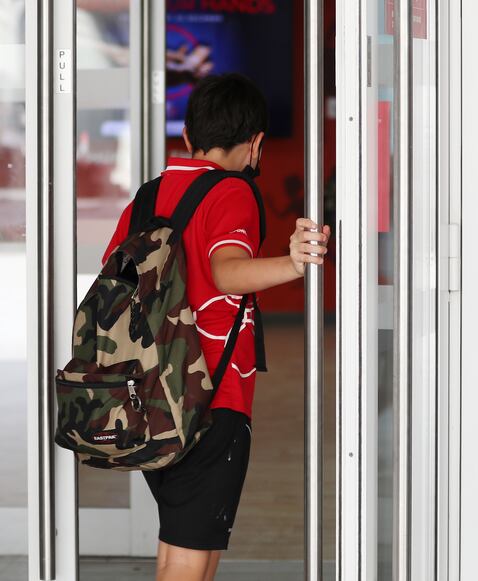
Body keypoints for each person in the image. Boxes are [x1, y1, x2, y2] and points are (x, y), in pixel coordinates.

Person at [101, 74, 331, 581]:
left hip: (146, 397)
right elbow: (226, 268)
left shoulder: (149, 195)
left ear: (187, 137)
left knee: (183, 552)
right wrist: (293, 263)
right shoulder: (231, 192)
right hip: (208, 398)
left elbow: (113, 278)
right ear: (256, 144)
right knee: (187, 561)